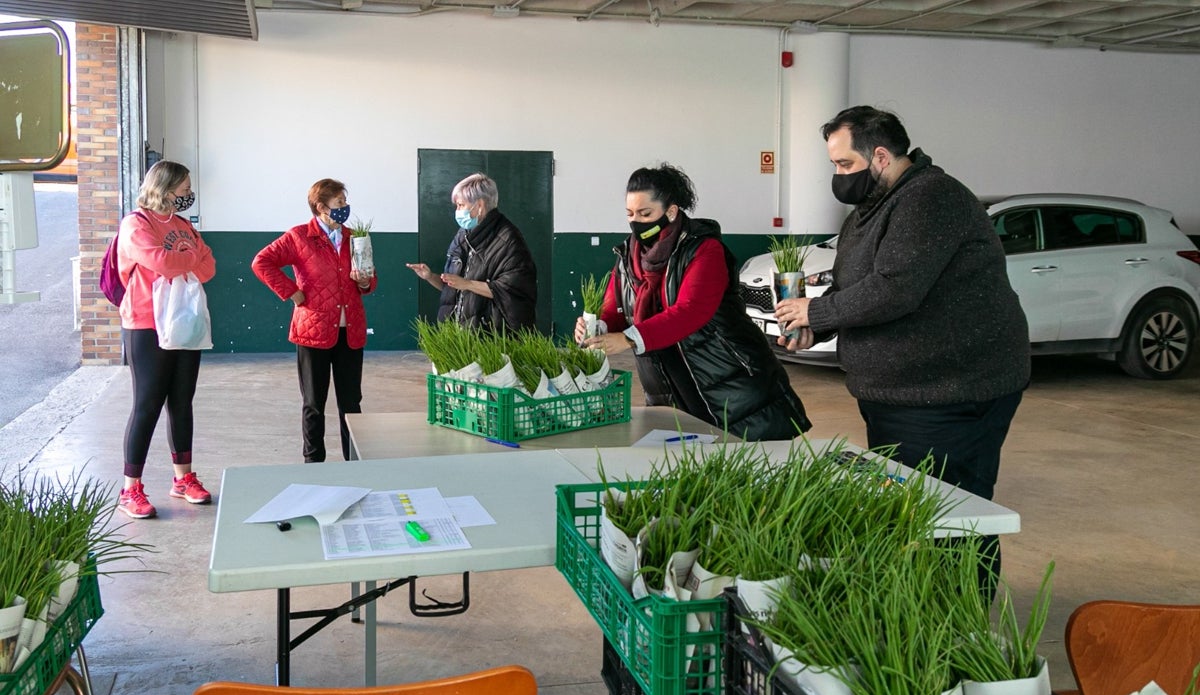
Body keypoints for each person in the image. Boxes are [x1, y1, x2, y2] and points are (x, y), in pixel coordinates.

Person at [774, 105, 1030, 590]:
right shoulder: (871, 210)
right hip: (902, 394)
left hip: (952, 392)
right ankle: (920, 604)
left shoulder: (931, 199)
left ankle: (959, 619)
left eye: (844, 164)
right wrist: (818, 326)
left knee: (951, 516)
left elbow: (896, 287)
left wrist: (818, 313)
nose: (838, 176)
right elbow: (857, 284)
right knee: (910, 511)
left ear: (881, 156)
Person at [574, 163, 810, 441]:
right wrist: (599, 326)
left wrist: (628, 339)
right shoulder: (628, 256)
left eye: (645, 213)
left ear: (671, 211)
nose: (636, 221)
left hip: (730, 386)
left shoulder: (705, 249)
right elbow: (615, 307)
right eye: (630, 214)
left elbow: (691, 311)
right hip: (668, 386)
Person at [115, 160, 217, 519]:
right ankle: (131, 489)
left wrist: (183, 258)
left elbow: (209, 268)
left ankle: (183, 478)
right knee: (147, 405)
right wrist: (188, 257)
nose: (189, 194)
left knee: (182, 401)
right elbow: (161, 262)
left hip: (185, 323)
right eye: (184, 188)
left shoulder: (182, 225)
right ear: (165, 187)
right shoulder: (135, 224)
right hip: (146, 323)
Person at [252, 178, 377, 462]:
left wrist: (365, 281)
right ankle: (313, 463)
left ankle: (354, 460)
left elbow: (370, 281)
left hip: (351, 331)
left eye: (345, 202)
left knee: (351, 403)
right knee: (313, 404)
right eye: (339, 203)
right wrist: (291, 292)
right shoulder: (298, 237)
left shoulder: (355, 237)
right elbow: (261, 262)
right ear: (321, 207)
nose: (345, 208)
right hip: (313, 332)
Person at [406, 173, 537, 331]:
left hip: (491, 337)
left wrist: (468, 284)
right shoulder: (463, 235)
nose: (457, 211)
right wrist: (430, 277)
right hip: (459, 337)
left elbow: (513, 291)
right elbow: (454, 285)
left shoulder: (509, 241)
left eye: (461, 205)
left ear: (479, 206)